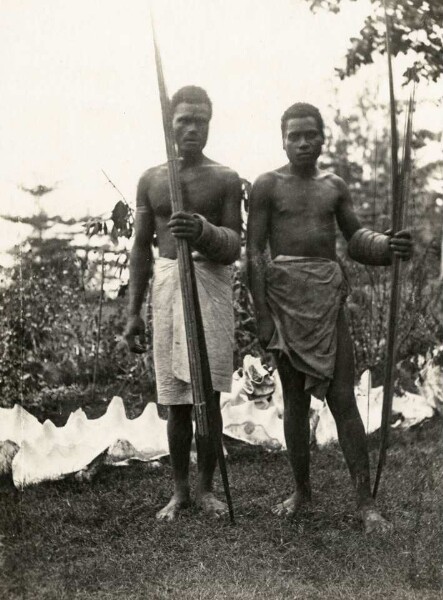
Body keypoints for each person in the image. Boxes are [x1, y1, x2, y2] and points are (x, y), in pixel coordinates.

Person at [246, 102, 413, 533]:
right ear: (282, 139)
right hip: (284, 302)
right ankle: (302, 490)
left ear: (323, 138)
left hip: (326, 299)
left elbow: (355, 238)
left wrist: (384, 246)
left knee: (343, 399)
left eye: (310, 134)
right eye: (293, 135)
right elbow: (253, 253)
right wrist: (263, 316)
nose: (302, 142)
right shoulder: (267, 186)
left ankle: (364, 502)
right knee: (295, 402)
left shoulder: (333, 186)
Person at [124, 86, 242, 521]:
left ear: (210, 124)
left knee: (207, 394)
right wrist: (133, 312)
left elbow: (233, 245)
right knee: (175, 399)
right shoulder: (152, 179)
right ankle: (179, 492)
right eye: (183, 121)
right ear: (169, 124)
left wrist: (204, 231)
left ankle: (208, 488)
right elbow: (140, 248)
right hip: (169, 283)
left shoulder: (226, 178)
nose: (192, 129)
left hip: (209, 282)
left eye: (201, 121)